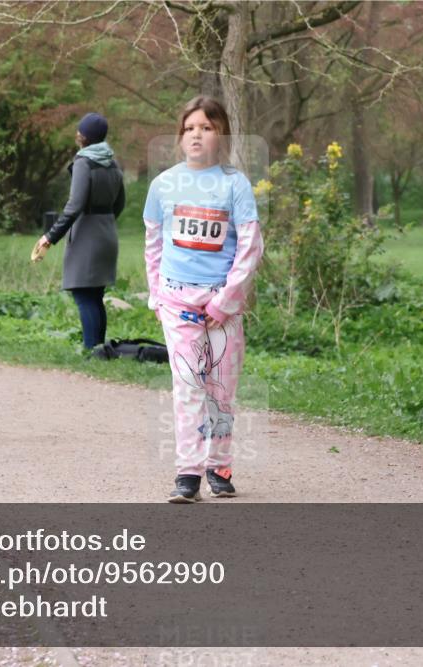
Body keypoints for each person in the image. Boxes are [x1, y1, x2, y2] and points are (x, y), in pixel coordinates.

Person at [142, 96, 264, 503]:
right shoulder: (163, 185)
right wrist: (157, 295)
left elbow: (250, 245)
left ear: (221, 135)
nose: (197, 134)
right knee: (188, 384)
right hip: (178, 302)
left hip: (221, 307)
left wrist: (226, 301)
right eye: (190, 127)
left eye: (207, 128)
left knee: (221, 388)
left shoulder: (235, 184)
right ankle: (188, 473)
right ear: (180, 137)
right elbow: (153, 243)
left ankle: (219, 466)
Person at [37, 112, 125, 350]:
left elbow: (74, 205)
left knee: (83, 294)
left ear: (85, 136)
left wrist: (50, 236)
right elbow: (120, 204)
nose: (77, 134)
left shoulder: (83, 163)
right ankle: (99, 349)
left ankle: (91, 350)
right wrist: (103, 222)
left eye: (80, 130)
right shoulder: (112, 163)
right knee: (95, 296)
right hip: (107, 233)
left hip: (87, 235)